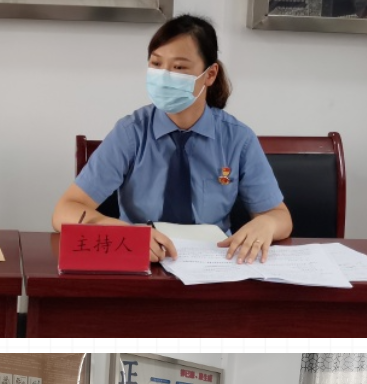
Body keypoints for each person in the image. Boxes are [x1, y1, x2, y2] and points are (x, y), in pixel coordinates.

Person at [52, 14, 292, 265]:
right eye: (156, 64)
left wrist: (267, 223)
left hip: (213, 263)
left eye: (179, 68)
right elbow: (65, 210)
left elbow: (280, 217)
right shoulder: (130, 133)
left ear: (210, 74)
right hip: (142, 260)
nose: (164, 76)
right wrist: (119, 230)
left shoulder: (237, 139)